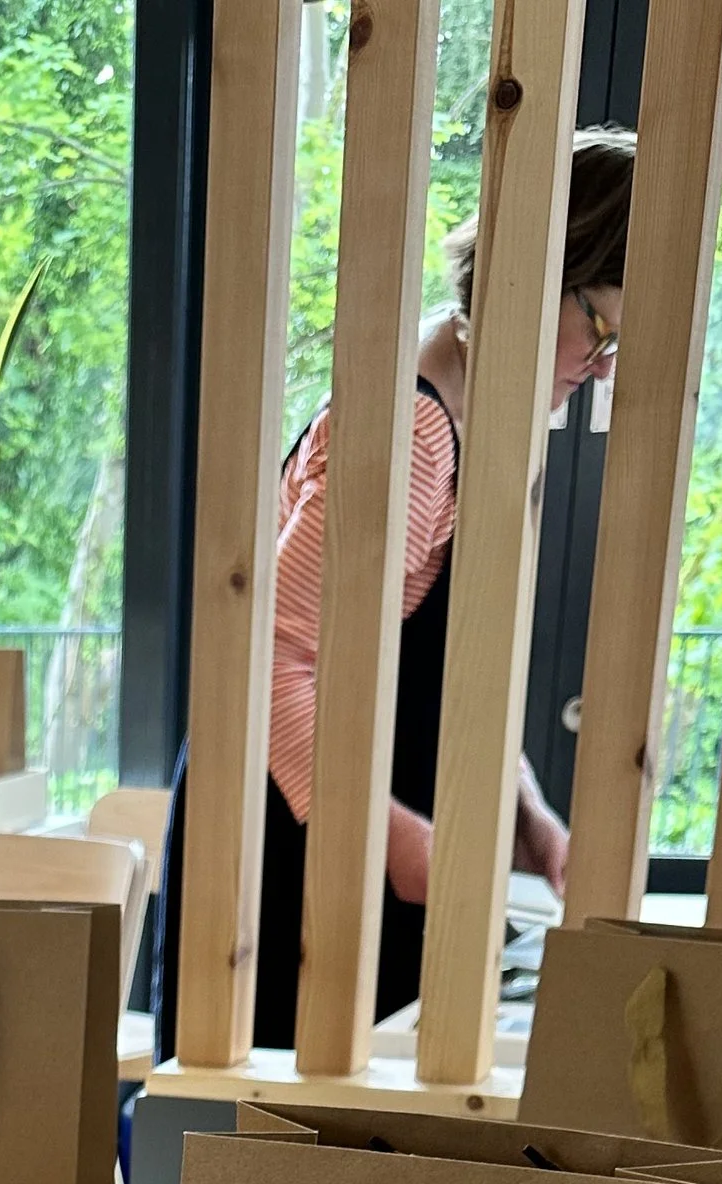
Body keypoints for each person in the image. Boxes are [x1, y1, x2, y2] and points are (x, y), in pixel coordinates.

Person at [159, 129, 635, 1058]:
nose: (605, 364)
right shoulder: (414, 435)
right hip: (295, 857)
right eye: (603, 329)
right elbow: (268, 664)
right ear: (539, 275)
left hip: (364, 845)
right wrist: (387, 837)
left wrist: (528, 822)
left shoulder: (465, 416)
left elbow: (441, 685)